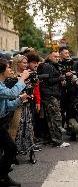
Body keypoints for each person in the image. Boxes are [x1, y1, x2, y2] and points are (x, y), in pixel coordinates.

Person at [0, 59, 30, 187]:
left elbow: (8, 106)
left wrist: (20, 99)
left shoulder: (2, 84)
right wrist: (22, 79)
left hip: (2, 121)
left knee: (7, 149)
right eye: (8, 68)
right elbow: (11, 93)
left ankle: (2, 177)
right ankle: (2, 177)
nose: (11, 70)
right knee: (11, 148)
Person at [38, 51, 70, 148]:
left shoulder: (53, 65)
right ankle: (58, 141)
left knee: (52, 118)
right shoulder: (47, 66)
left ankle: (54, 139)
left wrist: (61, 80)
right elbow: (48, 81)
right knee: (56, 118)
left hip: (52, 94)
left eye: (57, 56)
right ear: (49, 56)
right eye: (55, 56)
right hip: (50, 95)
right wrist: (60, 78)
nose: (57, 58)